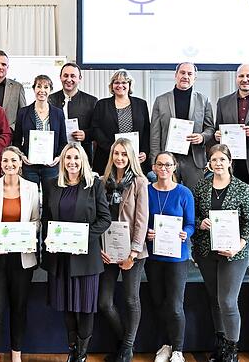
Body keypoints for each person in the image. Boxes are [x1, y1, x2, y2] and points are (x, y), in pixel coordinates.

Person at [42, 143, 111, 362]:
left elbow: (104, 219)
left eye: (76, 158)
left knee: (85, 307)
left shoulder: (94, 185)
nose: (72, 162)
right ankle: (72, 348)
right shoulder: (51, 184)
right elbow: (46, 219)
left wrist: (82, 235)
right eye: (68, 158)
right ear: (62, 161)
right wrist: (47, 238)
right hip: (60, 257)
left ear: (83, 161)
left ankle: (82, 353)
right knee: (67, 305)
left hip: (86, 257)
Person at [192, 144, 249, 362]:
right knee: (215, 299)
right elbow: (192, 217)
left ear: (230, 162)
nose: (217, 163)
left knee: (228, 301)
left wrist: (240, 244)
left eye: (222, 159)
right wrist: (201, 224)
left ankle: (232, 350)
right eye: (214, 160)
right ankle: (220, 344)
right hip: (206, 251)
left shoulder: (242, 188)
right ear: (209, 163)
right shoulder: (201, 186)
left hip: (234, 253)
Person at [0, 146, 41, 362]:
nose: (9, 164)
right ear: (0, 164)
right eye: (5, 161)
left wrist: (28, 235)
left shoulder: (32, 188)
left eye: (13, 160)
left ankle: (16, 356)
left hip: (21, 258)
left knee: (19, 309)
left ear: (21, 163)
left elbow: (36, 221)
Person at [97, 138, 149, 362]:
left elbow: (142, 220)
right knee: (104, 303)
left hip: (132, 252)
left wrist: (134, 253)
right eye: (116, 153)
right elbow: (97, 217)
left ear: (130, 158)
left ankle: (126, 350)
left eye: (124, 154)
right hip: (108, 251)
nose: (119, 158)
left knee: (130, 299)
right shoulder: (102, 181)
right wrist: (99, 248)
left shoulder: (140, 182)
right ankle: (124, 343)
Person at [144, 152, 195, 362]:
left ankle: (178, 350)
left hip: (177, 257)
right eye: (159, 164)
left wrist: (186, 233)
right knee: (158, 303)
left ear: (174, 167)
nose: (163, 168)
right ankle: (164, 345)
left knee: (174, 305)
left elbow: (191, 224)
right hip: (154, 256)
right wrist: (147, 231)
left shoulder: (184, 193)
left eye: (167, 164)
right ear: (154, 168)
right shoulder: (146, 191)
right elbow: (140, 219)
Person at [150, 62, 215, 190]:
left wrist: (202, 137)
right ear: (176, 75)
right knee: (167, 197)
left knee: (195, 199)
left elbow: (210, 128)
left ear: (194, 78)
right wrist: (154, 162)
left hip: (193, 159)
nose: (186, 76)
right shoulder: (160, 100)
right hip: (167, 159)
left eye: (190, 74)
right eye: (182, 73)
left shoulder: (204, 100)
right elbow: (155, 134)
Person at [91, 69, 151, 174]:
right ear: (112, 86)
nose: (120, 85)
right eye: (116, 82)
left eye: (124, 82)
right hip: (107, 157)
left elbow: (146, 130)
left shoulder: (141, 104)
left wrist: (145, 152)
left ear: (129, 85)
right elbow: (96, 129)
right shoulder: (102, 104)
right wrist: (113, 149)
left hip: (135, 158)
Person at [13, 74, 66, 185]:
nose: (42, 90)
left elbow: (63, 141)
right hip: (30, 165)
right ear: (34, 89)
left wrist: (58, 157)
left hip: (51, 165)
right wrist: (22, 155)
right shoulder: (23, 112)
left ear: (50, 90)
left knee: (50, 199)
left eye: (46, 87)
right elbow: (16, 140)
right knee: (31, 198)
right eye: (39, 86)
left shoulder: (58, 113)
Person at [48, 62, 98, 164]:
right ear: (60, 77)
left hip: (82, 156)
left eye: (73, 76)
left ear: (80, 78)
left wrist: (86, 134)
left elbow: (98, 130)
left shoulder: (91, 101)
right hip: (56, 156)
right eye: (65, 76)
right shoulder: (50, 100)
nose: (69, 79)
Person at [0, 50, 26, 130]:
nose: (0, 67)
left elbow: (23, 114)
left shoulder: (17, 88)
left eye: (3, 64)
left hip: (8, 137)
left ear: (7, 67)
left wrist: (11, 129)